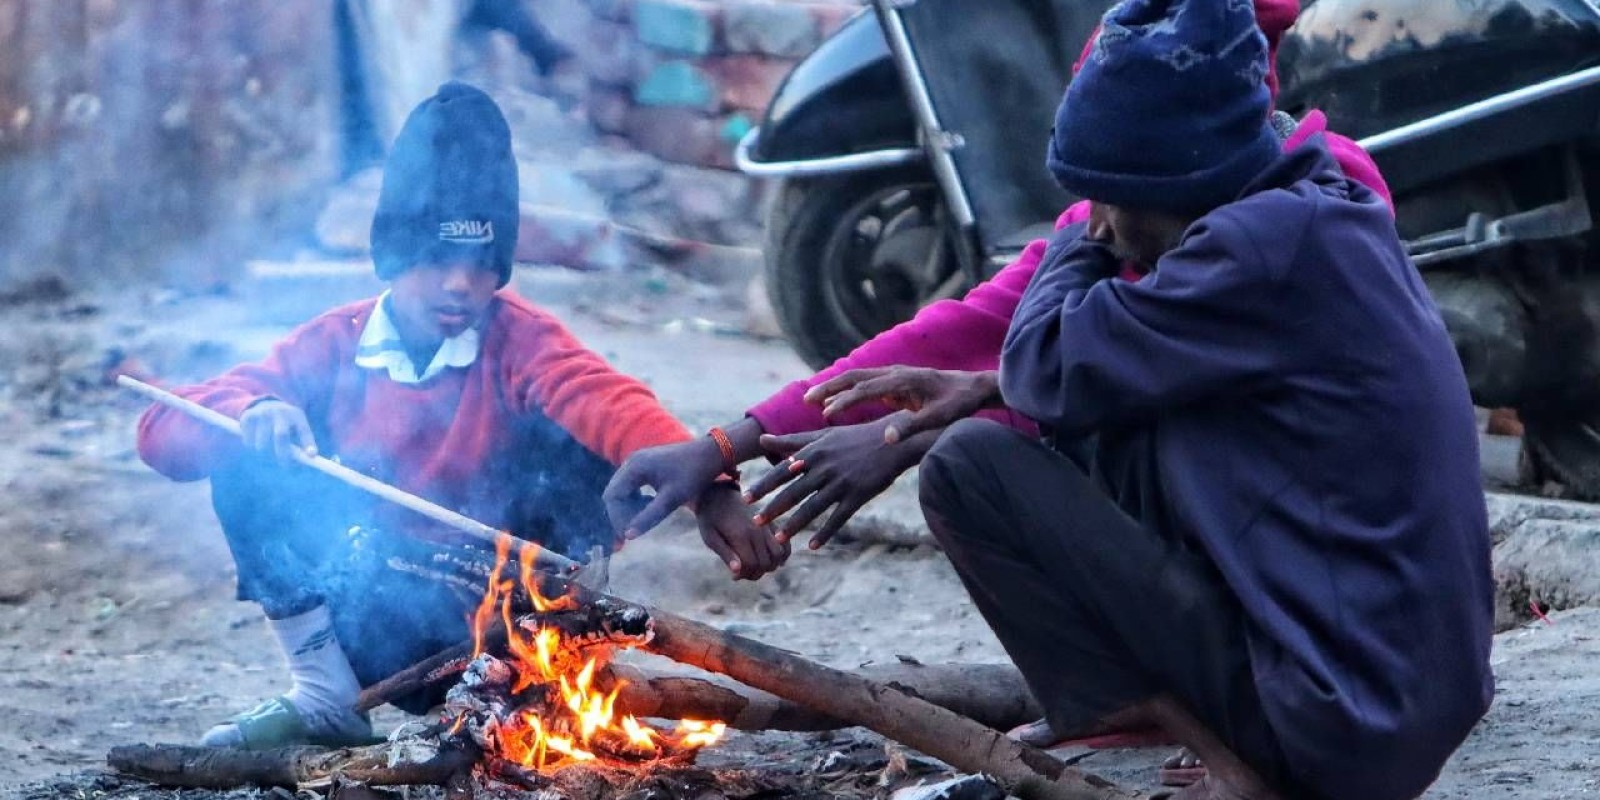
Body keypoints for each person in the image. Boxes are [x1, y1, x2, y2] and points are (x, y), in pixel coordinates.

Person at [912, 0, 1493, 797]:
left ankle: (1236, 764)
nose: (1108, 230)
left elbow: (1040, 363)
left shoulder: (1259, 247)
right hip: (1385, 705)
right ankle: (1229, 736)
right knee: (1107, 426)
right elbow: (1064, 385)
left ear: (1185, 180)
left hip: (1339, 720)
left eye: (1116, 201)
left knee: (971, 467)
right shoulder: (1313, 209)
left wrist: (1079, 232)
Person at [602, 0, 1391, 580]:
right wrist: (722, 446)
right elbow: (966, 330)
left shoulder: (1298, 230)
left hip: (1335, 595)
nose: (1094, 222)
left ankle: (1202, 696)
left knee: (995, 460)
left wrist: (905, 441)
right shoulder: (1138, 211)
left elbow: (1113, 388)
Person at [135, 82, 747, 749]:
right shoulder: (332, 343)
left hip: (501, 617)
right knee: (247, 454)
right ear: (395, 258)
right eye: (436, 260)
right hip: (373, 615)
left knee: (585, 444)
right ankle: (325, 695)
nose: (461, 285)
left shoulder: (522, 340)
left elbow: (609, 401)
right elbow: (160, 434)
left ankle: (539, 692)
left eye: (481, 264)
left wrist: (707, 480)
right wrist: (255, 411)